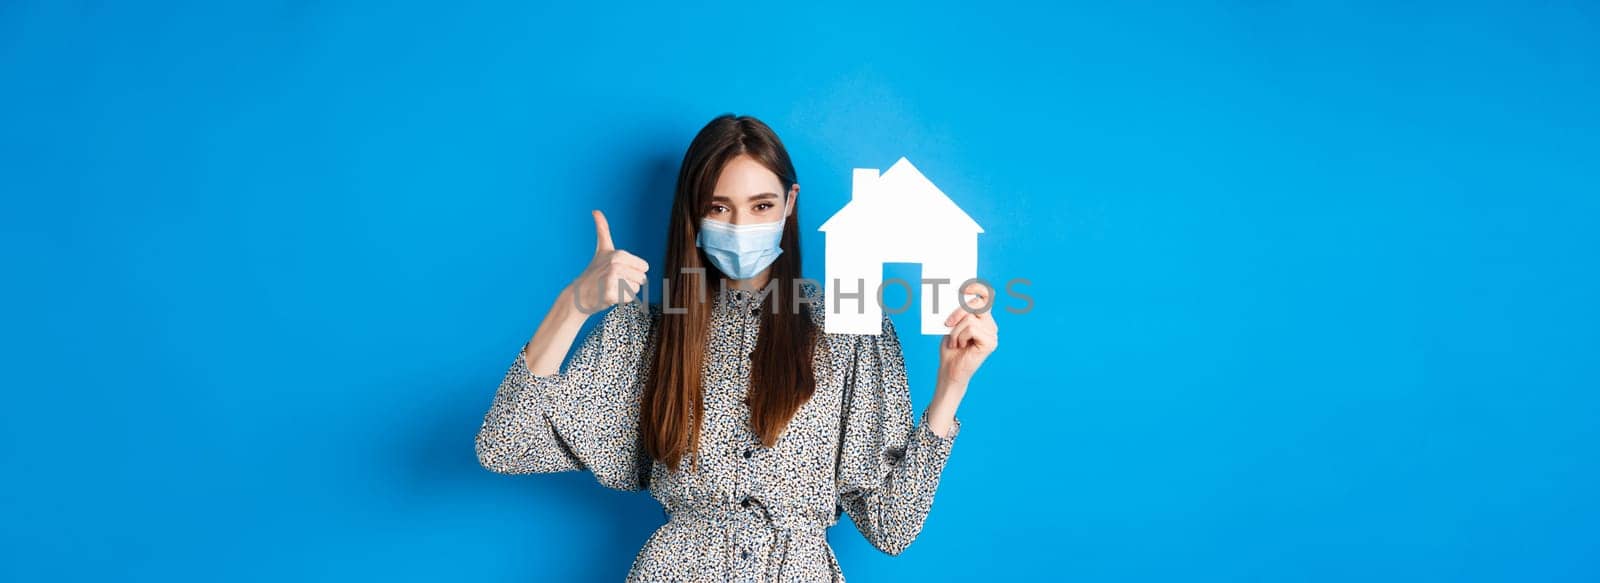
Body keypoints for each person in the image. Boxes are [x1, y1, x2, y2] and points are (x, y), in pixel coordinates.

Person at [474, 113, 999, 581]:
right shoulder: (650, 332)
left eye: (761, 204)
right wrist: (573, 306)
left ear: (789, 205)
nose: (741, 226)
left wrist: (951, 386)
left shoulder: (851, 325)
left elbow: (892, 526)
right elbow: (504, 446)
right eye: (719, 207)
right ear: (694, 214)